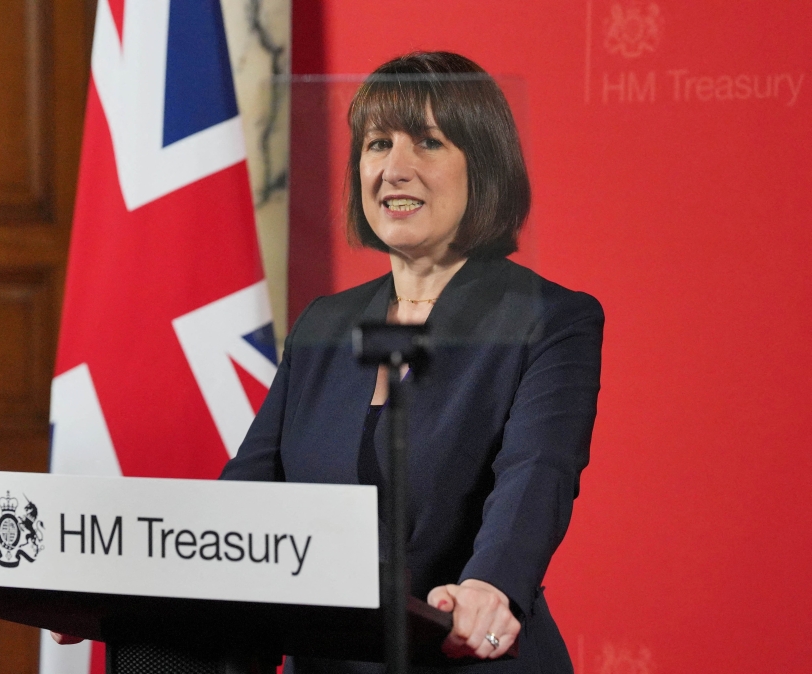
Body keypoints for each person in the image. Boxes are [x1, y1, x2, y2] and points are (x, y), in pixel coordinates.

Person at [219, 51, 603, 673]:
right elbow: (252, 486)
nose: (395, 169)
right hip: (327, 661)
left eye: (428, 142)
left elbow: (539, 470)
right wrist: (131, 587)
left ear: (484, 166)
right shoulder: (324, 322)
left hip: (463, 653)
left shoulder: (548, 319)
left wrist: (491, 587)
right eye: (377, 145)